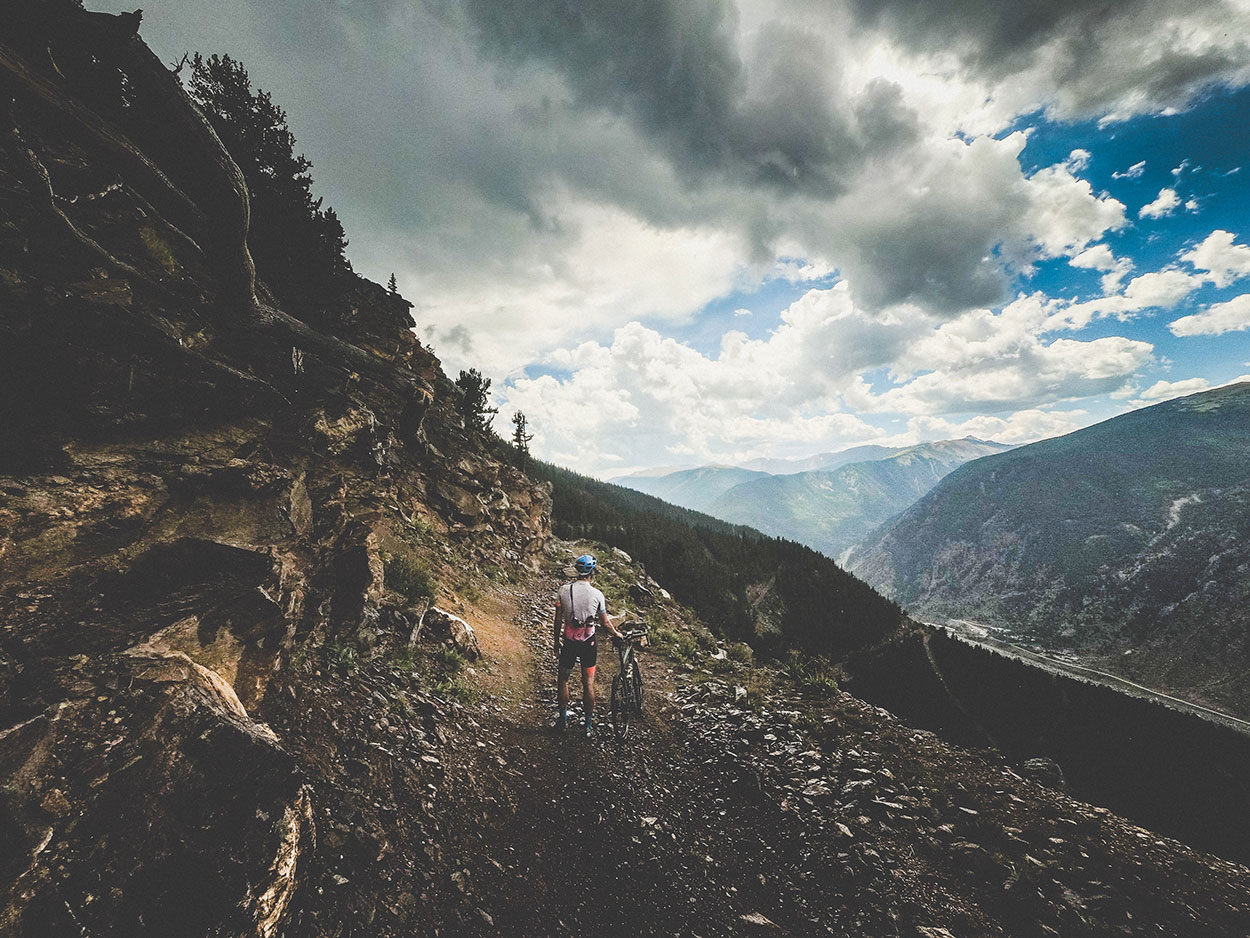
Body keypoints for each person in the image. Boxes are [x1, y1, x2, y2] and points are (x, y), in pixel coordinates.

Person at [553, 553, 623, 736]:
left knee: (563, 680)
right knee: (588, 683)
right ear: (592, 572)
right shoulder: (597, 595)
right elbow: (605, 623)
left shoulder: (563, 591)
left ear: (577, 571)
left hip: (568, 641)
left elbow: (558, 620)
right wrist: (616, 634)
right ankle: (588, 726)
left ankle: (563, 721)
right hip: (588, 643)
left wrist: (555, 642)